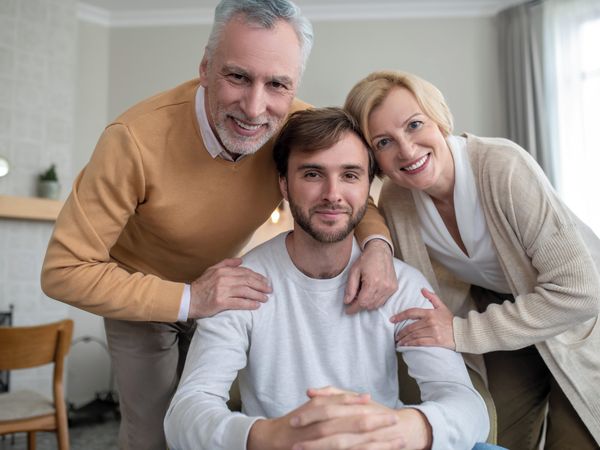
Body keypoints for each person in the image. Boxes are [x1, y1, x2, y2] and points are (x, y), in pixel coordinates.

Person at [40, 2, 398, 448]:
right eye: (238, 77)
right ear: (205, 68)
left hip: (225, 290)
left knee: (213, 425)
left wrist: (379, 247)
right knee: (153, 433)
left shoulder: (295, 126)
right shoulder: (132, 140)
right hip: (141, 293)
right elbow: (62, 270)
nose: (254, 108)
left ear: (294, 84)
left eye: (277, 84)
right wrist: (190, 298)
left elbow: (352, 189)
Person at [164, 107, 493, 450]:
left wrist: (402, 429)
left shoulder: (401, 283)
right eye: (312, 174)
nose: (332, 194)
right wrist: (268, 436)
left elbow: (468, 407)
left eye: (350, 175)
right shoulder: (241, 285)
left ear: (367, 187)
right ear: (284, 184)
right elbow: (184, 414)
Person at [344, 70, 600, 449]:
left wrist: (461, 332)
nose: (407, 150)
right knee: (495, 436)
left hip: (579, 317)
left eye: (414, 125)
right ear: (373, 159)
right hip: (500, 314)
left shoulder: (502, 166)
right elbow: (355, 198)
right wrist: (377, 246)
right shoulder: (397, 199)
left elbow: (583, 292)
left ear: (438, 118)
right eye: (384, 142)